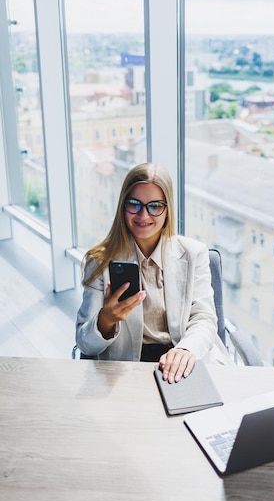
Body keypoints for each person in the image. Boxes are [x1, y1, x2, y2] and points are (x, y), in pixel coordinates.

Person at [76, 162, 231, 383]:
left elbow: (204, 318)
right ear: (123, 206)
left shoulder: (194, 253)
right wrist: (106, 321)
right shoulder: (99, 262)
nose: (143, 215)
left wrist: (186, 350)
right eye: (134, 204)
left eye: (154, 206)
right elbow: (84, 343)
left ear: (167, 211)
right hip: (128, 368)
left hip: (182, 357)